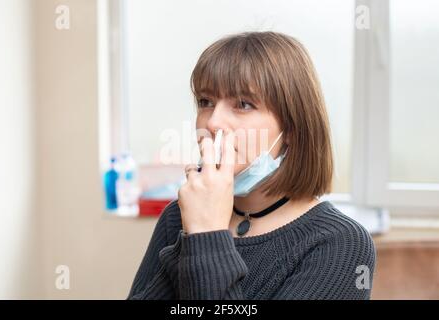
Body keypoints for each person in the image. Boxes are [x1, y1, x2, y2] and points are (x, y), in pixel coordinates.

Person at [127, 31, 376, 300]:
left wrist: (207, 234)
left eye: (243, 104)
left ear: (291, 128)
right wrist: (190, 234)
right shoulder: (178, 216)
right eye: (205, 102)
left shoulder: (340, 243)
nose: (212, 123)